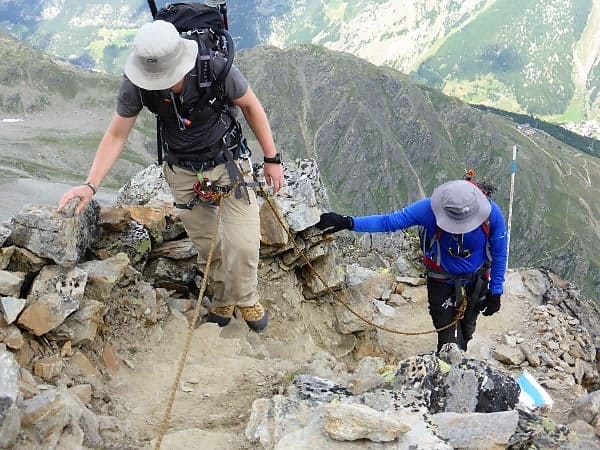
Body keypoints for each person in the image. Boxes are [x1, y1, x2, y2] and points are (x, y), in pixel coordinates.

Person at [57, 20, 284, 332]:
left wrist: (272, 159)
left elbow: (251, 107)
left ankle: (245, 297)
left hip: (228, 163)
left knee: (243, 244)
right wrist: (90, 184)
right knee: (207, 245)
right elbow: (116, 134)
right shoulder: (137, 84)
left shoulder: (215, 69)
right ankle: (221, 298)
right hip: (181, 172)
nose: (158, 82)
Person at [316, 179, 508, 352]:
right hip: (441, 276)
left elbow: (500, 254)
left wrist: (496, 291)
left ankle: (460, 346)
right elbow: (389, 222)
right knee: (446, 335)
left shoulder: (492, 215)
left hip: (475, 275)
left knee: (468, 323)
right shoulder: (429, 210)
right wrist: (348, 222)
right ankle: (449, 360)